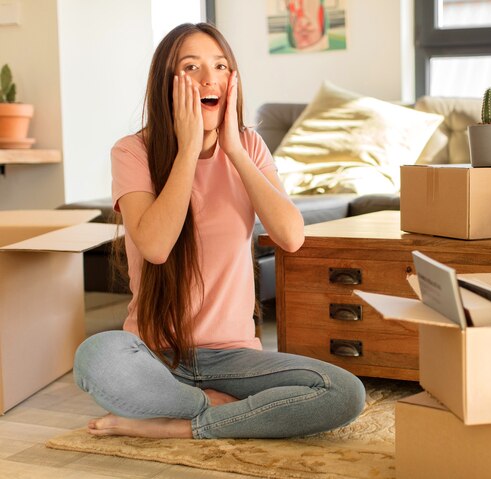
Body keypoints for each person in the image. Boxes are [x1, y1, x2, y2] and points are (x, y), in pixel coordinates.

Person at [73, 22, 365, 440]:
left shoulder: (249, 145)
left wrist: (233, 149)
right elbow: (155, 246)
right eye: (191, 67)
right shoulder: (132, 150)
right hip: (155, 355)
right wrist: (189, 148)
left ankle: (175, 426)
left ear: (233, 81)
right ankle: (211, 406)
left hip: (234, 358)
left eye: (220, 66)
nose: (209, 78)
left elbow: (291, 236)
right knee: (96, 356)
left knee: (343, 392)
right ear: (166, 84)